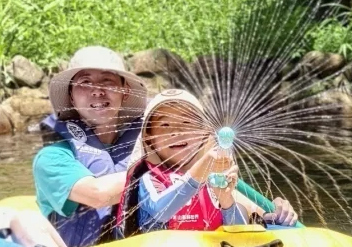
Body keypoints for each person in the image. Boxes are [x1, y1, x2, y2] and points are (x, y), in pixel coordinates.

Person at [118, 88, 299, 237]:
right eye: (165, 125)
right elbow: (161, 211)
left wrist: (226, 200)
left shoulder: (215, 180)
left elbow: (241, 234)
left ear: (203, 132)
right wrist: (199, 171)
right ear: (150, 138)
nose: (177, 131)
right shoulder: (149, 180)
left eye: (187, 122)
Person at [33, 45, 149, 247]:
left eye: (108, 81)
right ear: (70, 95)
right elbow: (98, 195)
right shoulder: (51, 158)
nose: (97, 91)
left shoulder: (147, 145)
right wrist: (165, 169)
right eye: (85, 82)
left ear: (125, 92)